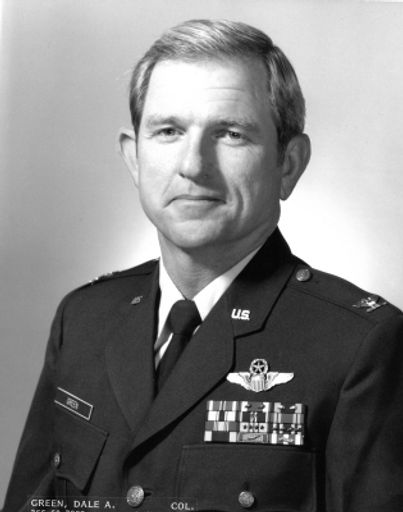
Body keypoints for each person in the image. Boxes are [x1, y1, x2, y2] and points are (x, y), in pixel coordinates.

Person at [3, 19, 403, 512]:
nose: (193, 165)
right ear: (134, 159)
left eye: (231, 133)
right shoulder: (84, 319)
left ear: (288, 164)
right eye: (168, 131)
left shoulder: (359, 346)